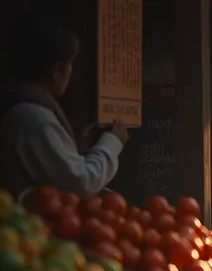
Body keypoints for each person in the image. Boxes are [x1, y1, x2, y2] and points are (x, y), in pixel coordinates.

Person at [0, 18, 129, 195]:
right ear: (57, 70)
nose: (70, 72)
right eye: (70, 65)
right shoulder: (35, 118)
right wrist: (112, 142)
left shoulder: (24, 110)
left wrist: (72, 148)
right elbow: (82, 181)